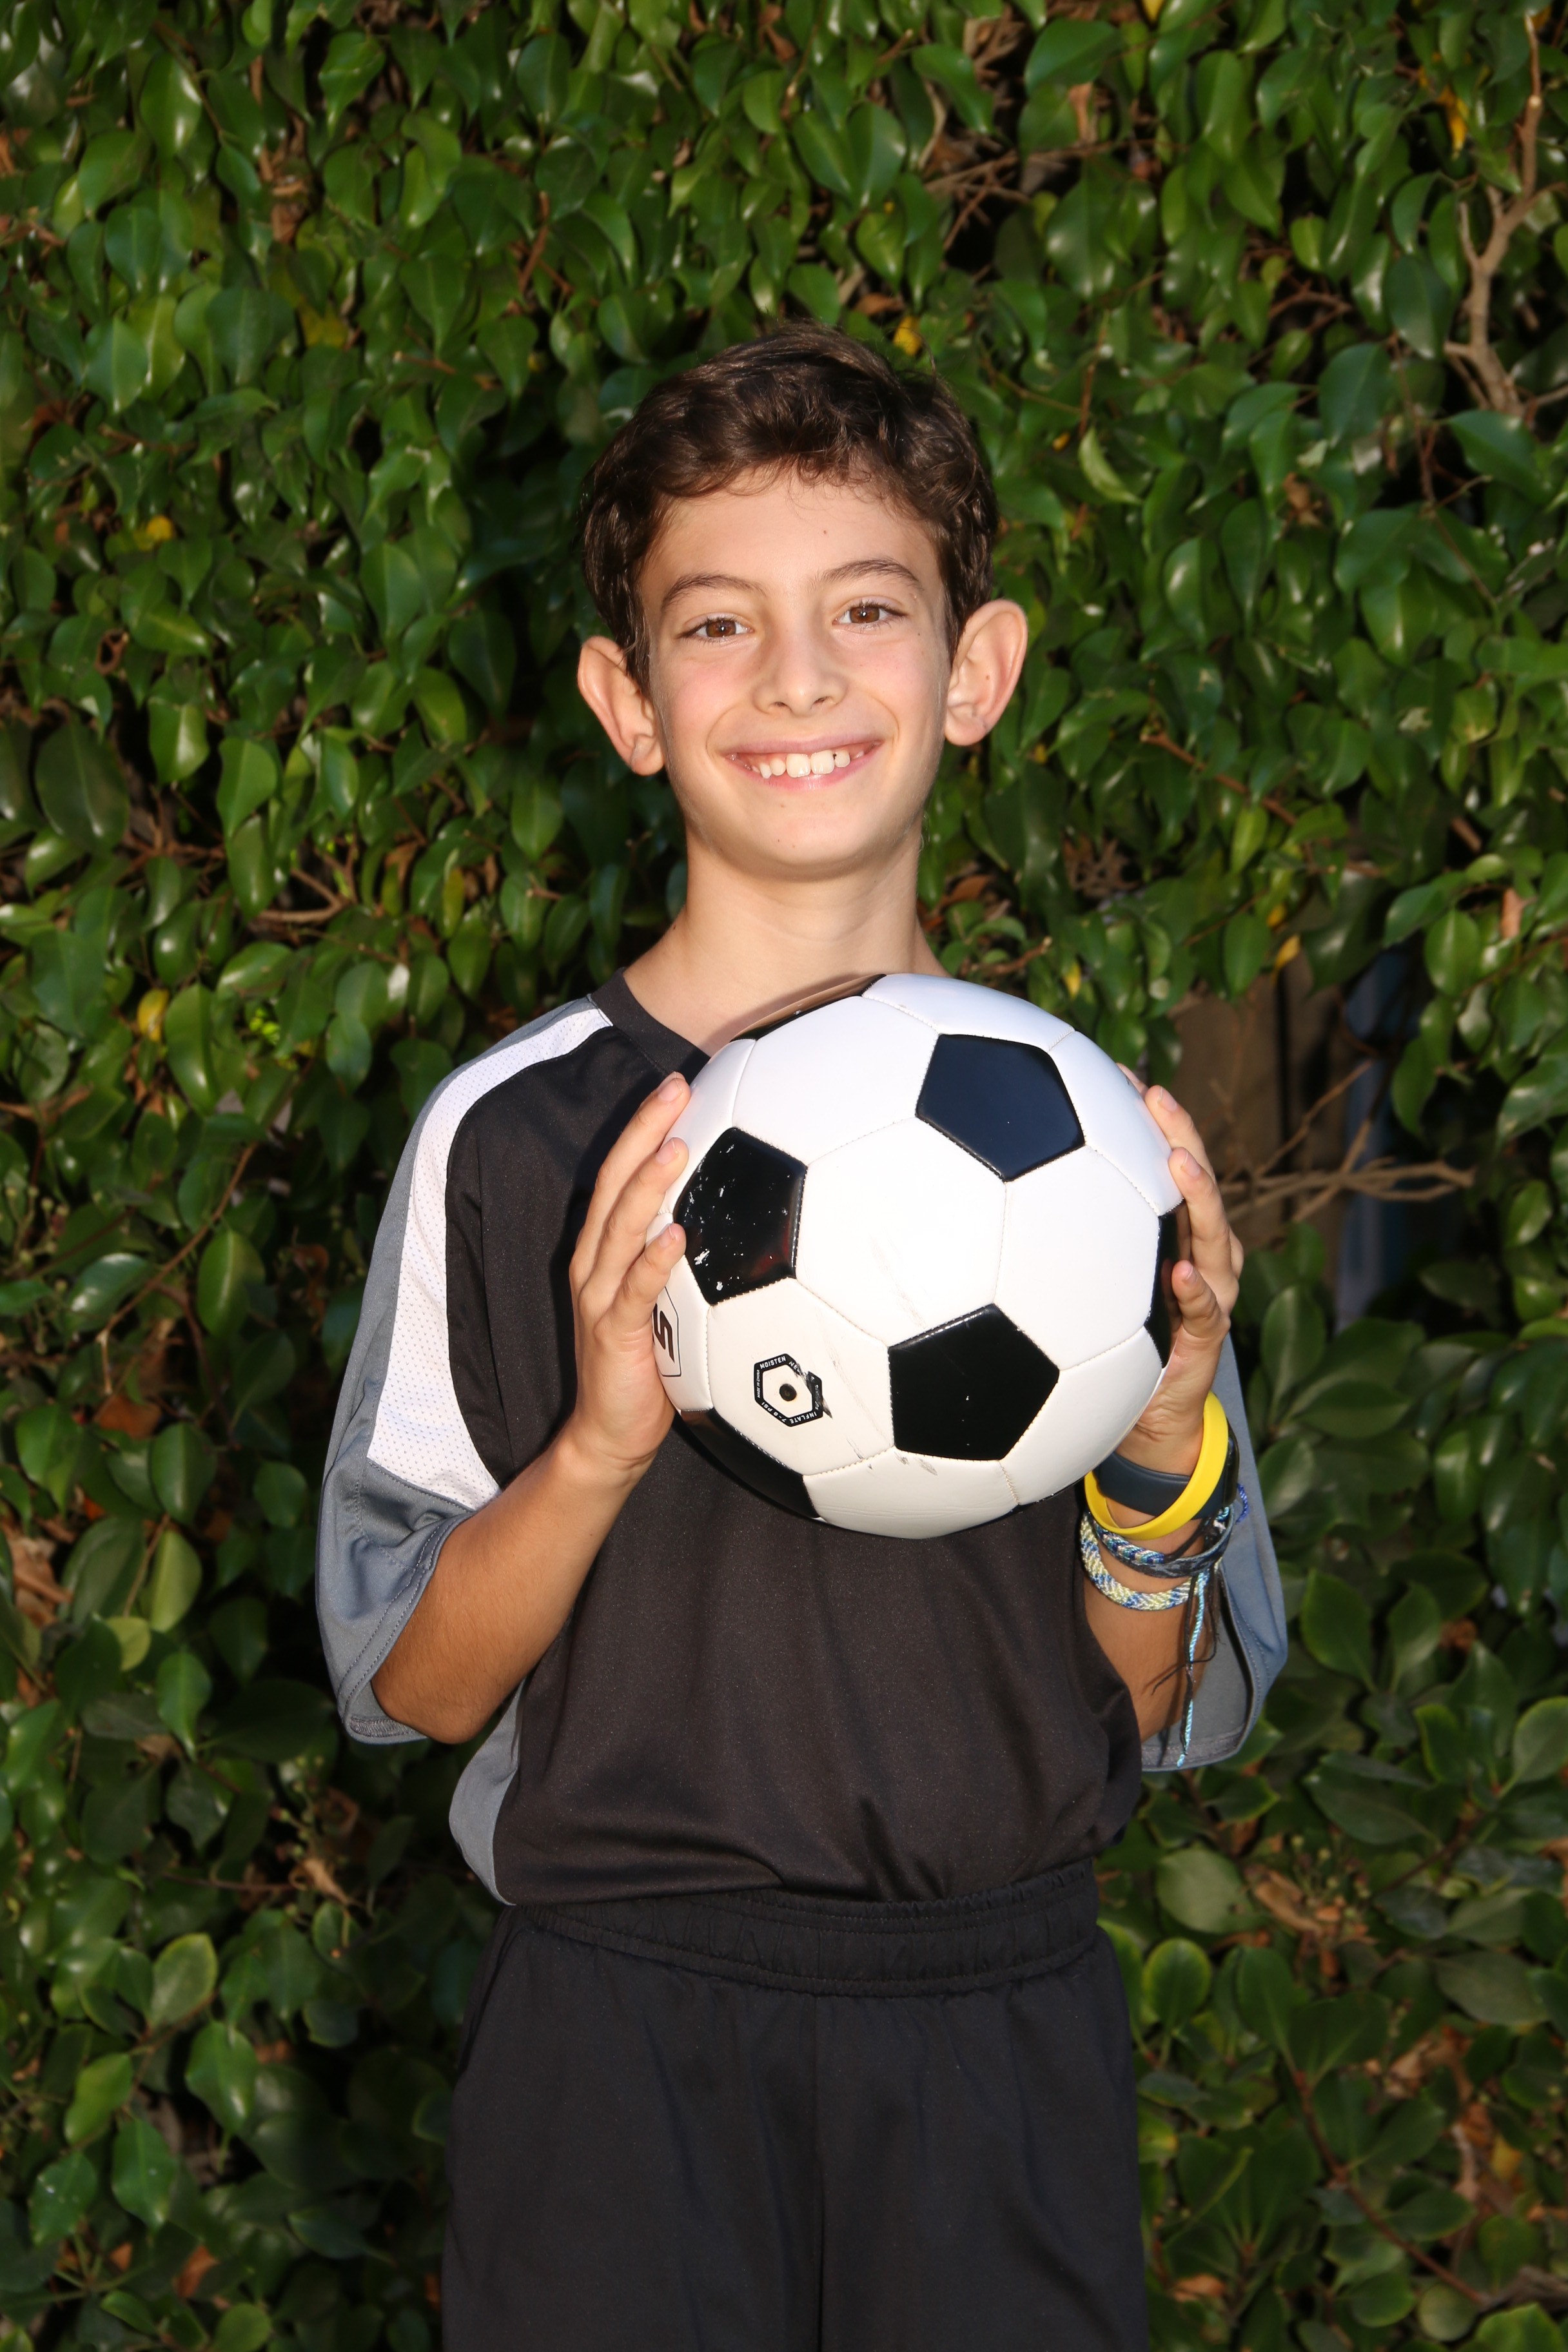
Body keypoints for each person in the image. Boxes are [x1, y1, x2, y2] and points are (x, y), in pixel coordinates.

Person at [317, 322, 1286, 2351]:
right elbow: (412, 1683)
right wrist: (599, 1446)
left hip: (996, 2038)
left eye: (866, 608)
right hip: (624, 2041)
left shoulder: (1091, 1147)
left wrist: (1158, 1446)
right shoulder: (517, 1137)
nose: (796, 678)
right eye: (717, 624)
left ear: (977, 669)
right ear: (627, 703)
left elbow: (1151, 1706)